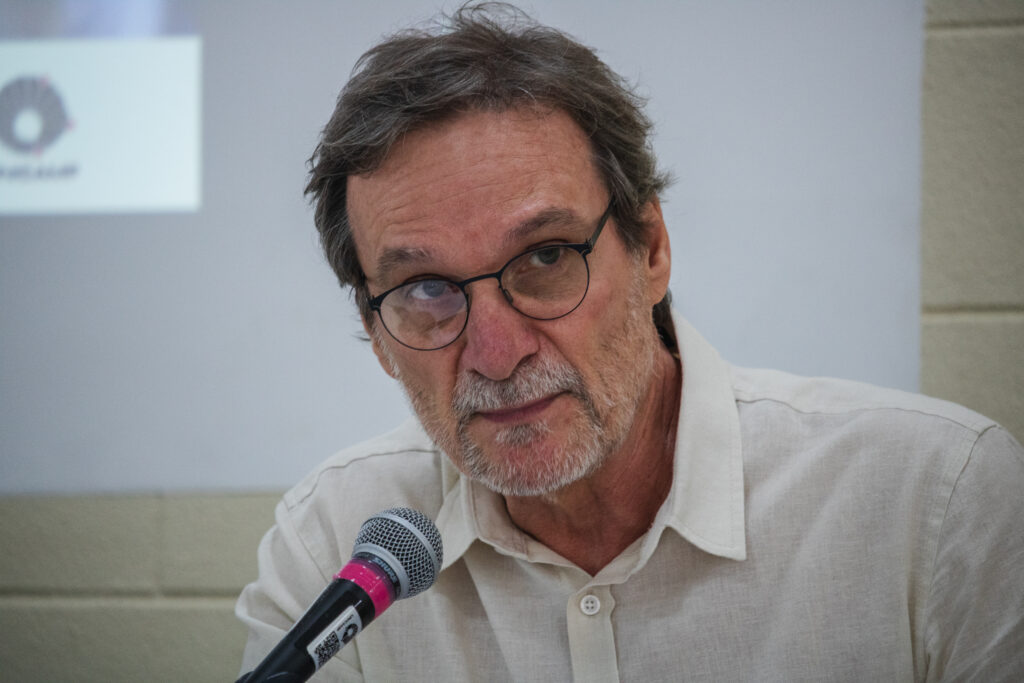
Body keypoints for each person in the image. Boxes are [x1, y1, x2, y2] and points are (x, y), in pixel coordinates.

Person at [236, 5, 1024, 680]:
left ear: (650, 249)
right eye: (426, 291)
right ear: (377, 335)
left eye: (546, 257)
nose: (497, 352)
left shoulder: (936, 504)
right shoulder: (334, 549)